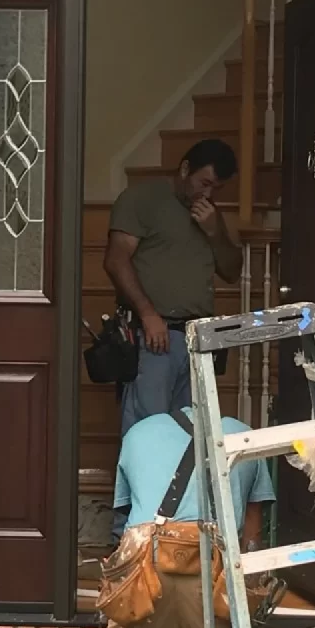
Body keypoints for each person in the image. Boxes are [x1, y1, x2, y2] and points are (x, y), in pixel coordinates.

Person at [81, 409, 276, 628]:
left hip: (146, 565)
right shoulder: (244, 433)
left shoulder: (138, 432)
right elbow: (252, 535)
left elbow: (127, 516)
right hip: (211, 562)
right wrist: (248, 591)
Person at [104, 138, 242, 436]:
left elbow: (232, 272)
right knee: (149, 433)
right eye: (204, 183)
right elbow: (116, 261)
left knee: (191, 436)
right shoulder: (143, 199)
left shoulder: (211, 214)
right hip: (154, 335)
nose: (208, 194)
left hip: (198, 337)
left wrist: (214, 232)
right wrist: (148, 314)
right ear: (185, 169)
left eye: (217, 188)